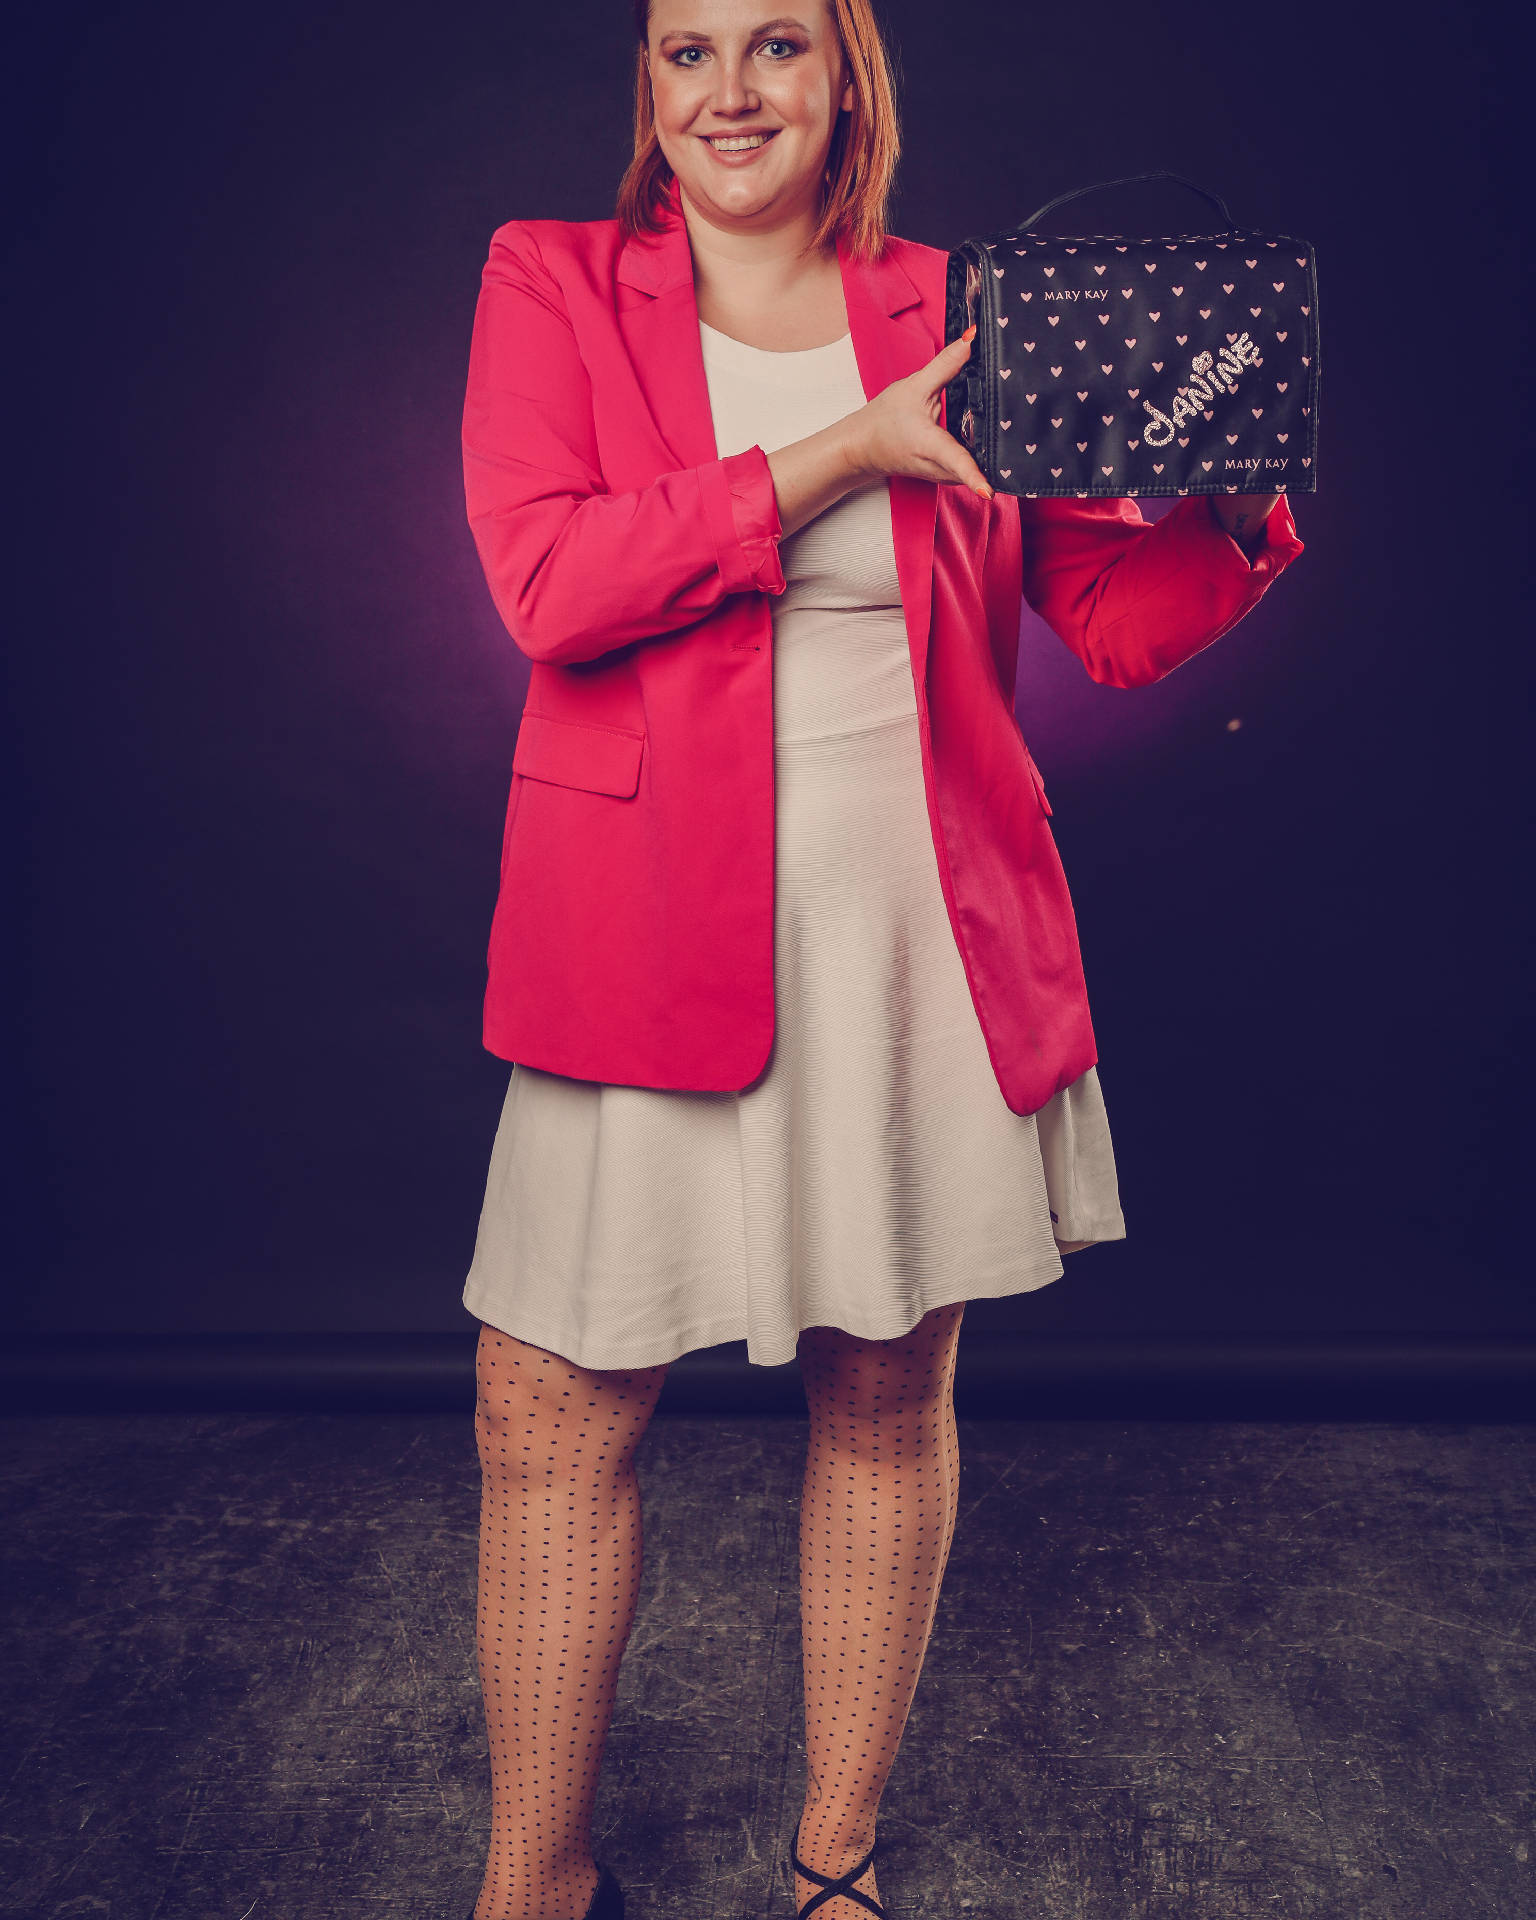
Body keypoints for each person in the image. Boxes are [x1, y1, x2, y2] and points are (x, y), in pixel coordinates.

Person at [455, 4, 1305, 1918]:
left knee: (884, 1389)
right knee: (544, 1408)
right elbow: (551, 585)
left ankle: (834, 1863)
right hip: (636, 924)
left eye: (775, 44)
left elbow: (1109, 615)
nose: (728, 93)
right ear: (647, 82)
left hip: (912, 920)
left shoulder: (966, 303)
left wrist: (1238, 488)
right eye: (686, 51)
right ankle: (535, 1879)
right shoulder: (552, 283)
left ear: (847, 74)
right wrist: (847, 448)